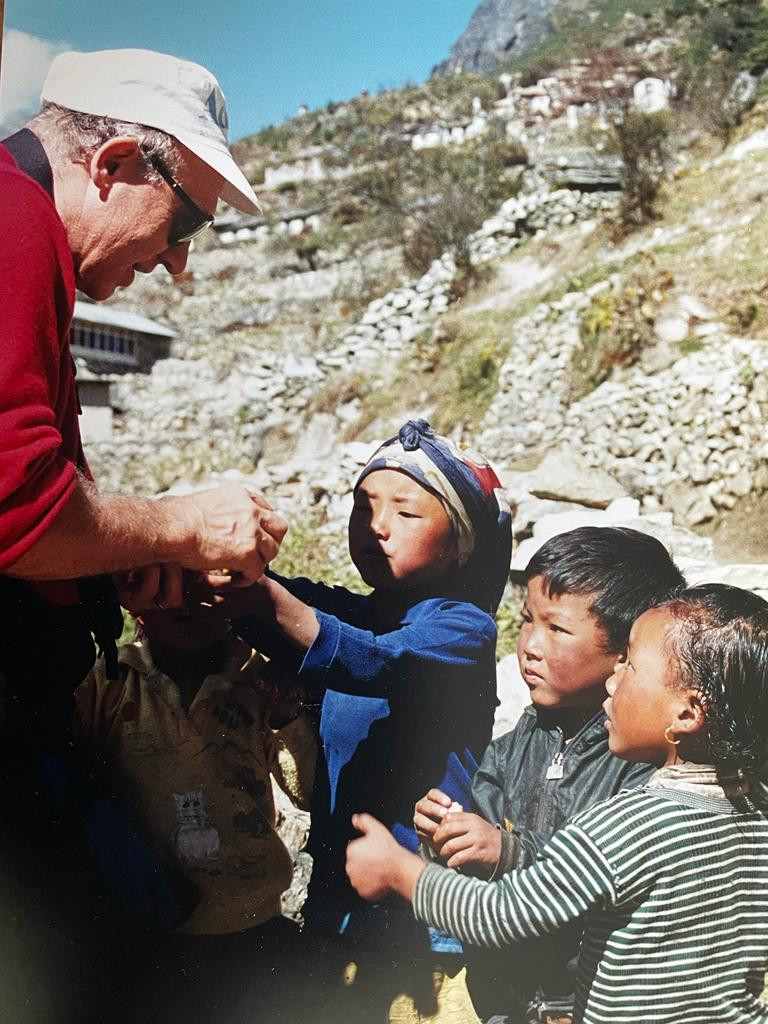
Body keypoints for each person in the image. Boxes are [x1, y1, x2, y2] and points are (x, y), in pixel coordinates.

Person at [0, 47, 287, 760]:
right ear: (115, 163)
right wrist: (176, 526)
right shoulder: (14, 226)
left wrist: (113, 555)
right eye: (184, 225)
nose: (176, 263)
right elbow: (18, 511)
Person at [348, 583, 768, 1024]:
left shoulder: (629, 825)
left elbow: (499, 915)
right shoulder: (757, 817)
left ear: (687, 713)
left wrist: (401, 872)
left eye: (631, 664)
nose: (613, 677)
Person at [223, 418, 512, 1021]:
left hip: (428, 934)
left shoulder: (462, 631)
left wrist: (256, 597)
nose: (376, 526)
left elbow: (371, 661)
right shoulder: (361, 612)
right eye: (363, 506)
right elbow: (295, 605)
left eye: (406, 513)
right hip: (341, 913)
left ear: (461, 542)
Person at [413, 526, 686, 1024]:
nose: (529, 646)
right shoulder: (524, 737)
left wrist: (508, 851)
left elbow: (605, 871)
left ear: (626, 650)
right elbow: (484, 836)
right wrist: (447, 835)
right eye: (525, 621)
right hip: (503, 999)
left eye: (556, 629)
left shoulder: (643, 758)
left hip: (582, 1005)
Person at [67, 575, 317, 1021]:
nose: (185, 603)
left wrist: (286, 719)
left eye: (205, 589)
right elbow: (72, 778)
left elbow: (302, 788)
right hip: (152, 922)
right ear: (132, 600)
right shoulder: (109, 681)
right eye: (164, 586)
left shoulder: (260, 681)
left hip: (251, 918)